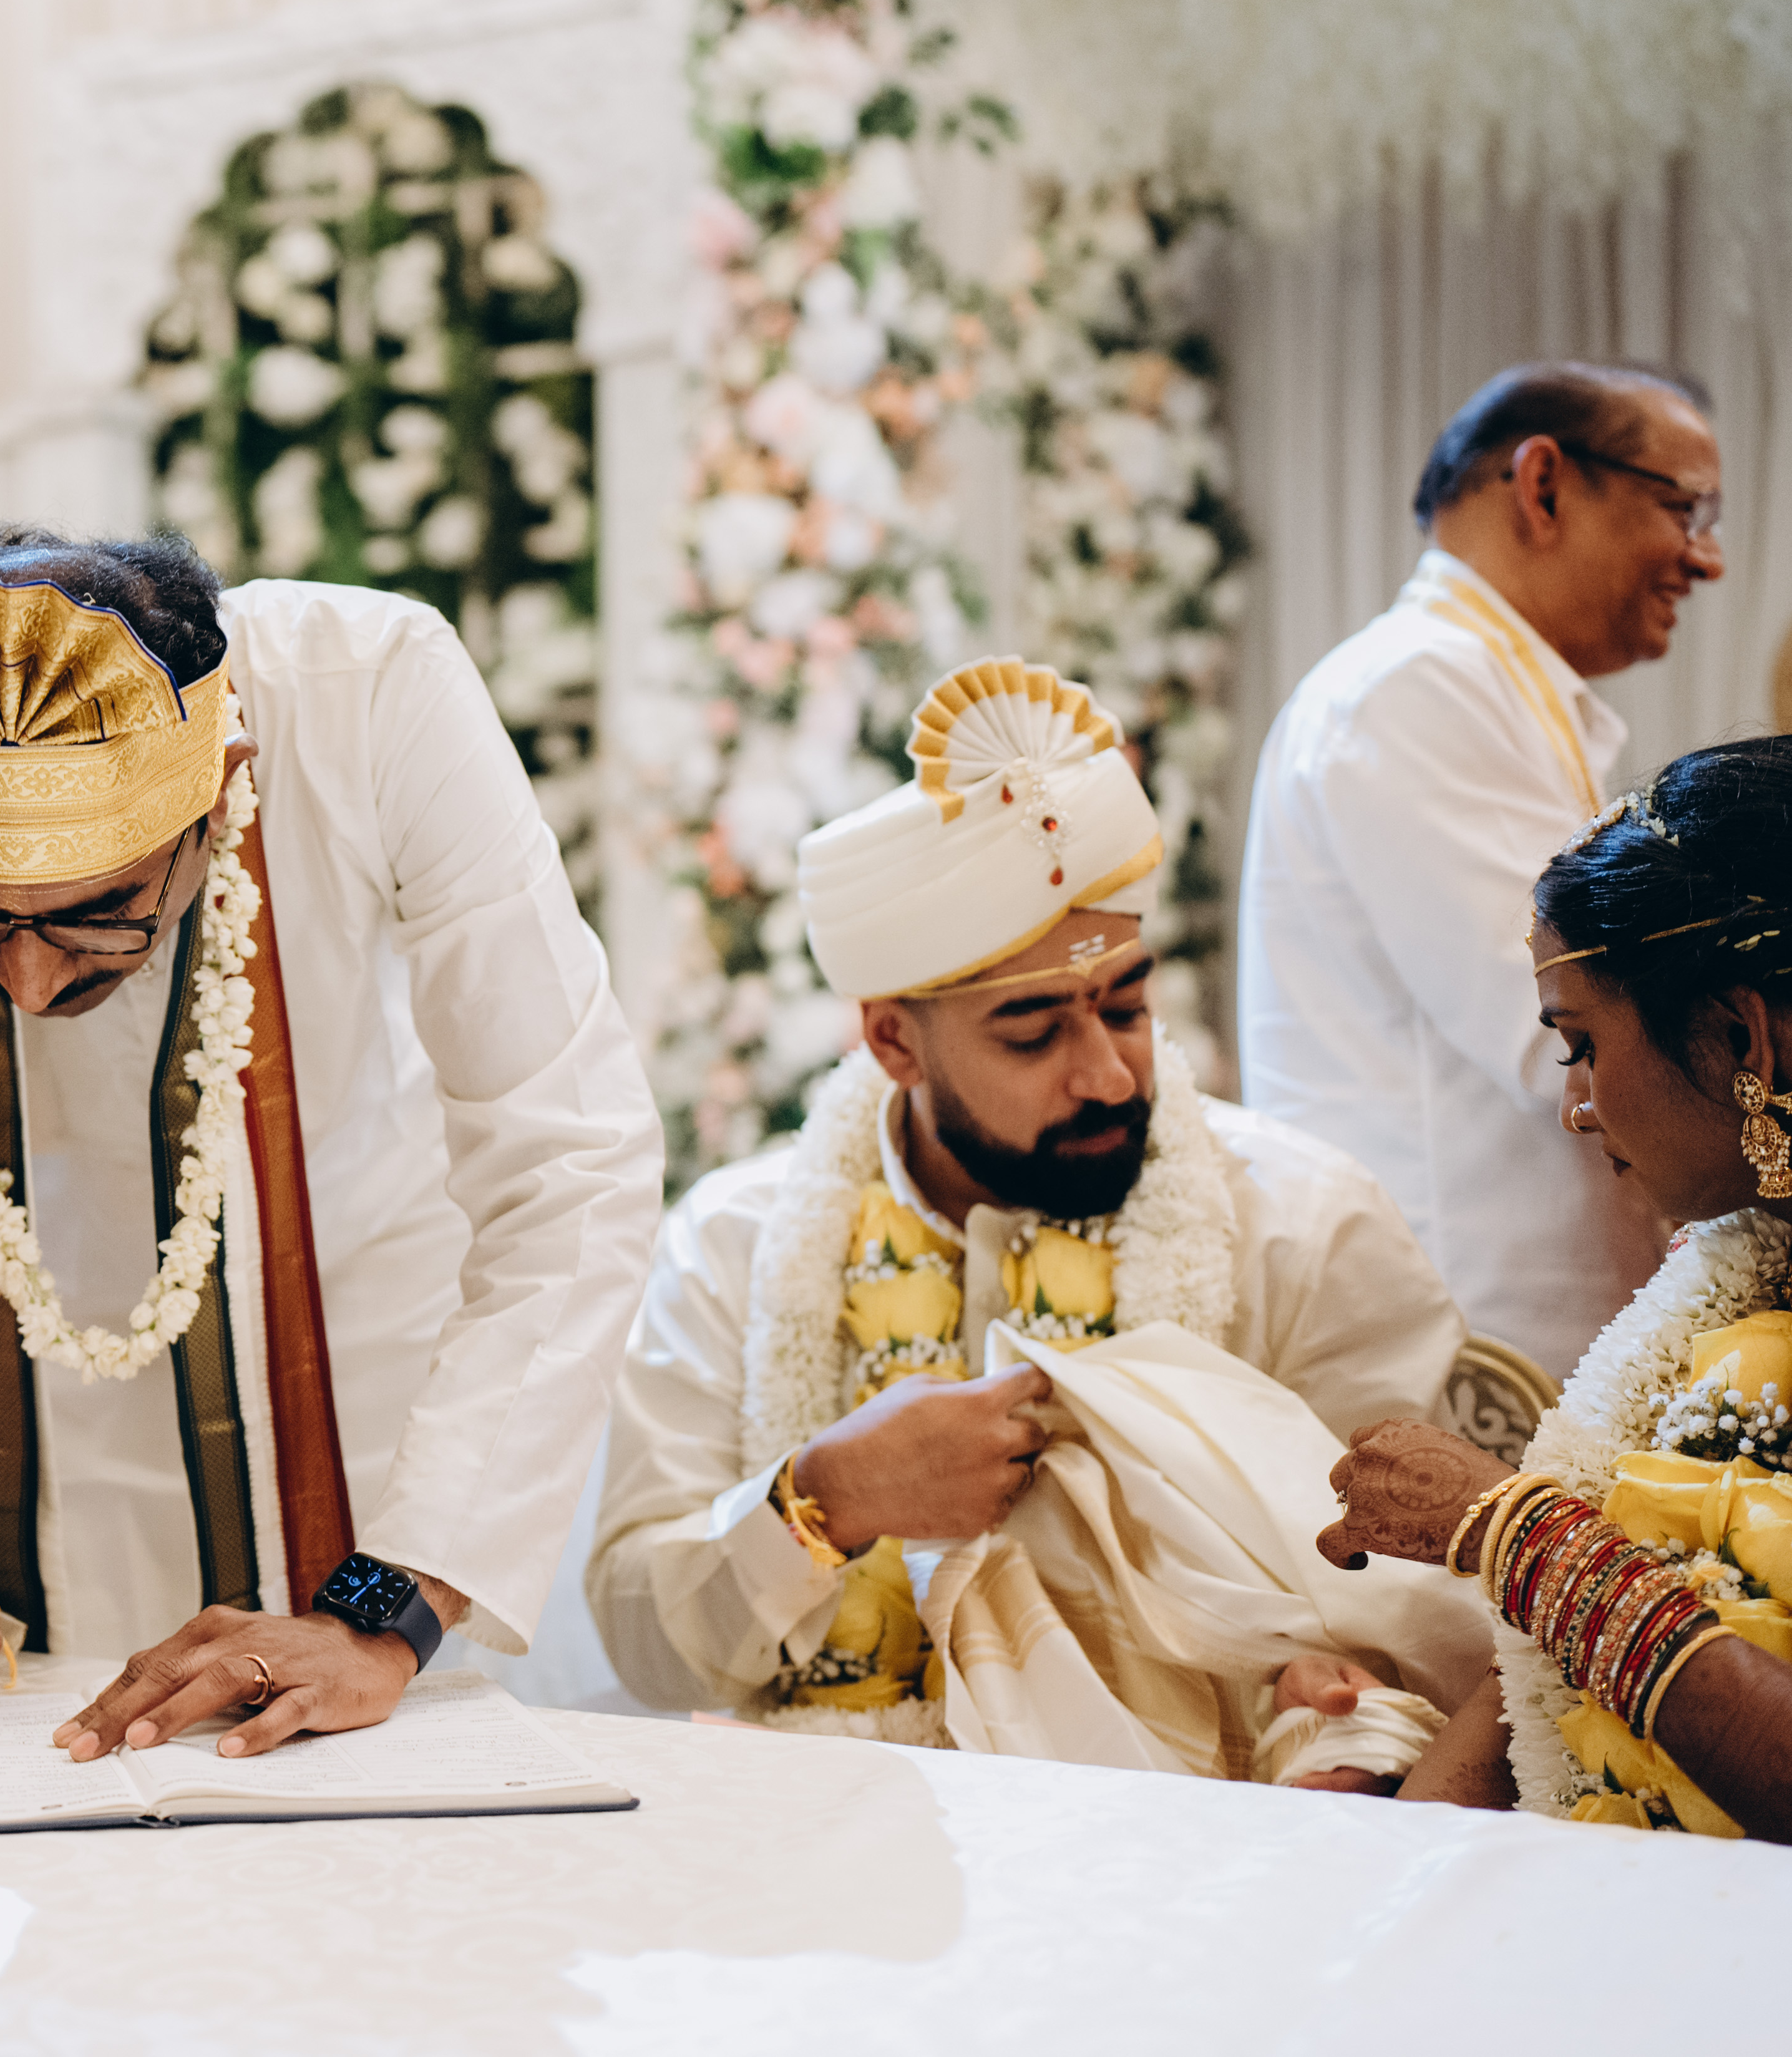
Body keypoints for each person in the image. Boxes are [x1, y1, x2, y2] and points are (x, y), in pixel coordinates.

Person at [0, 527, 661, 1760]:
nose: (31, 979)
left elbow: (571, 1165)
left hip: (404, 1453)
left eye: (96, 916)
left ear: (218, 791)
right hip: (45, 1516)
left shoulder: (369, 693)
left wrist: (386, 1609)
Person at [587, 659, 1478, 1783]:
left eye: (1125, 1006)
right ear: (893, 1043)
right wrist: (825, 1498)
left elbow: (1421, 1613)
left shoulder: (1302, 1226)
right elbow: (639, 1641)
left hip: (1186, 1838)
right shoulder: (735, 1245)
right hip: (823, 1826)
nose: (1106, 1074)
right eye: (1032, 1032)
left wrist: (1328, 1709)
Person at [1323, 739, 1792, 1842]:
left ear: (1741, 1038)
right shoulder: (1728, 1271)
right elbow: (1531, 1686)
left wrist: (1519, 1538)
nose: (1574, 1106)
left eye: (1580, 1044)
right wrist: (1376, 1898)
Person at [1239, 361, 1725, 1371]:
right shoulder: (1414, 689)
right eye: (1681, 508)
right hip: (1464, 1338)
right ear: (1540, 485)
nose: (1704, 558)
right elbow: (1564, 1028)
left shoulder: (1475, 684)